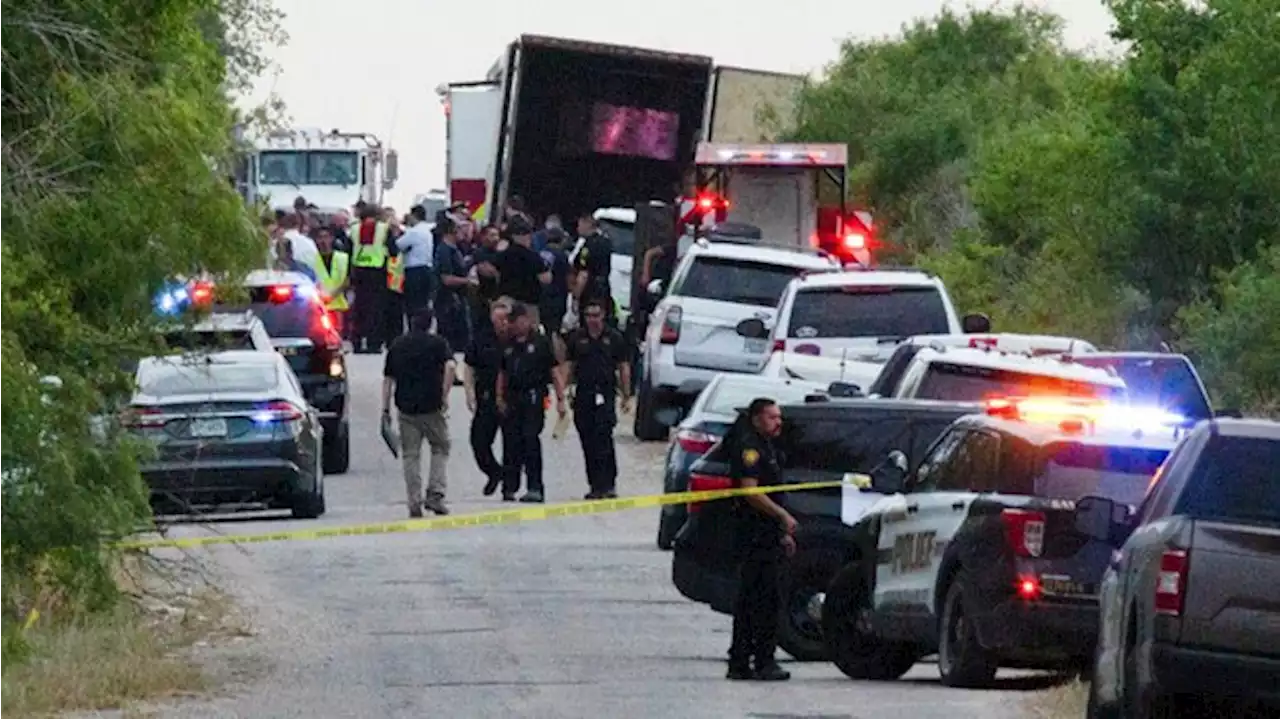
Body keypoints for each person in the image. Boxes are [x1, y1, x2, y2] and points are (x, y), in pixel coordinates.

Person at [725, 398, 796, 682]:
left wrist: (782, 533)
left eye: (779, 417)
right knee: (762, 600)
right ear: (756, 418)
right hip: (754, 536)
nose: (778, 422)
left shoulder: (767, 447)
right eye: (771, 417)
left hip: (768, 536)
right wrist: (782, 516)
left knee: (756, 600)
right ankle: (760, 661)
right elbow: (751, 492)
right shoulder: (750, 448)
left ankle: (743, 660)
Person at [382, 307, 456, 518]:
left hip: (406, 408)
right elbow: (450, 367)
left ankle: (414, 501)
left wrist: (385, 409)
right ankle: (436, 493)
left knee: (410, 454)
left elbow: (388, 380)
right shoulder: (438, 344)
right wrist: (444, 394)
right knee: (440, 446)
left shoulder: (397, 345)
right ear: (430, 324)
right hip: (432, 406)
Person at [495, 302, 565, 503]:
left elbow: (554, 372)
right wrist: (499, 397)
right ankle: (509, 487)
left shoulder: (541, 343)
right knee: (511, 442)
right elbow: (502, 373)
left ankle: (535, 487)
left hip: (534, 396)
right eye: (510, 321)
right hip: (512, 398)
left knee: (530, 439)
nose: (513, 325)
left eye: (516, 321)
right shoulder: (507, 344)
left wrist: (561, 400)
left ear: (525, 320)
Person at [564, 298, 631, 499]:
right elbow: (570, 365)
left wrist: (626, 395)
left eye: (596, 315)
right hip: (583, 394)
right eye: (588, 316)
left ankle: (608, 483)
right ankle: (594, 484)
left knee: (603, 437)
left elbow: (623, 367)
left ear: (603, 316)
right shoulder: (577, 338)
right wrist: (565, 391)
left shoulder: (615, 338)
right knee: (587, 439)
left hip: (606, 393)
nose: (592, 320)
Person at [464, 299, 511, 496]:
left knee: (512, 443)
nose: (502, 323)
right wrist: (469, 393)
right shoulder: (482, 338)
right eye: (498, 318)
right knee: (479, 441)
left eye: (505, 318)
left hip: (512, 398)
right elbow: (469, 366)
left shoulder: (518, 338)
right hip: (486, 396)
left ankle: (510, 486)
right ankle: (494, 472)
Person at [482, 217, 550, 328]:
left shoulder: (504, 254)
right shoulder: (534, 257)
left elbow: (487, 270)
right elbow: (546, 279)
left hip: (506, 301)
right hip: (527, 305)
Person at [349, 204, 392, 353]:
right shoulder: (384, 229)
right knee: (376, 309)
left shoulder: (354, 229)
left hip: (359, 271)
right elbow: (393, 250)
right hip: (378, 272)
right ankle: (374, 343)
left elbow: (349, 250)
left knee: (360, 307)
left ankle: (357, 342)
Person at [433, 215, 471, 350]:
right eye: (460, 228)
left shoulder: (456, 249)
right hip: (448, 301)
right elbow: (446, 278)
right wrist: (468, 281)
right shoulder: (444, 251)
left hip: (458, 299)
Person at [572, 214, 614, 325]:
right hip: (604, 290)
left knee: (587, 323)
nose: (577, 228)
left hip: (589, 291)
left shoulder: (588, 246)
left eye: (579, 225)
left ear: (588, 224)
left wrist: (576, 297)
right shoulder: (606, 242)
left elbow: (583, 273)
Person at [396, 204, 435, 317]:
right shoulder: (427, 231)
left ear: (414, 216)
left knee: (412, 304)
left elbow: (398, 245)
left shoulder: (414, 232)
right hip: (427, 270)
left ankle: (414, 328)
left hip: (414, 271)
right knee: (423, 303)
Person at [312, 226, 350, 332]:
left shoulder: (343, 257)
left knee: (337, 333)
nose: (323, 241)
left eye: (326, 237)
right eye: (320, 237)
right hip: (319, 304)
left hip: (337, 303)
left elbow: (347, 280)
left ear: (331, 238)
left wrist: (333, 295)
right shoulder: (312, 259)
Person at [538, 227, 571, 338]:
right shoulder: (562, 256)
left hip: (541, 297)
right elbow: (567, 277)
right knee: (553, 332)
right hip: (557, 298)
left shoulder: (540, 253)